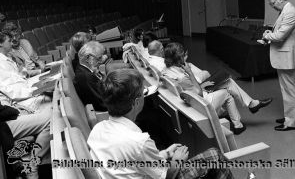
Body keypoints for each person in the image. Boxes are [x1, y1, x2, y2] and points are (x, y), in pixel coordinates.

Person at [87, 68, 233, 179]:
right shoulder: (140, 141)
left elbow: (133, 163)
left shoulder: (97, 129)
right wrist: (177, 160)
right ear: (137, 102)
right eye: (143, 92)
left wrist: (164, 153)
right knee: (215, 155)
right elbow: (167, 175)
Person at [162, 42, 272, 135]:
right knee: (227, 93)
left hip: (192, 97)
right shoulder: (182, 76)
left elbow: (197, 82)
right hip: (199, 102)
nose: (187, 56)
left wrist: (200, 84)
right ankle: (238, 124)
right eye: (185, 55)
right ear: (180, 57)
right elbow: (198, 93)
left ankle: (250, 106)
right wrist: (191, 73)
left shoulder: (168, 70)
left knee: (228, 82)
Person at [262, 0, 295, 131]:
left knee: (290, 90)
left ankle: (291, 123)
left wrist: (267, 36)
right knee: (287, 89)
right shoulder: (285, 10)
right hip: (284, 56)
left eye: (272, 3)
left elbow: (280, 36)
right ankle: (289, 117)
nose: (272, 6)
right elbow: (279, 32)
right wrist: (270, 32)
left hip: (287, 57)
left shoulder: (290, 12)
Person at [0, 32, 50, 112]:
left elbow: (21, 79)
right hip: (22, 101)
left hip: (26, 91)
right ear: (1, 44)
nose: (12, 43)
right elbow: (11, 91)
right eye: (9, 41)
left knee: (51, 84)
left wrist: (39, 81)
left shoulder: (7, 58)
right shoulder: (1, 64)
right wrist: (35, 88)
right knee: (54, 98)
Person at [73, 41, 107, 111]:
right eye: (99, 58)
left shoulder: (86, 69)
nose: (100, 61)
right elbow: (101, 105)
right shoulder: (86, 77)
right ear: (87, 58)